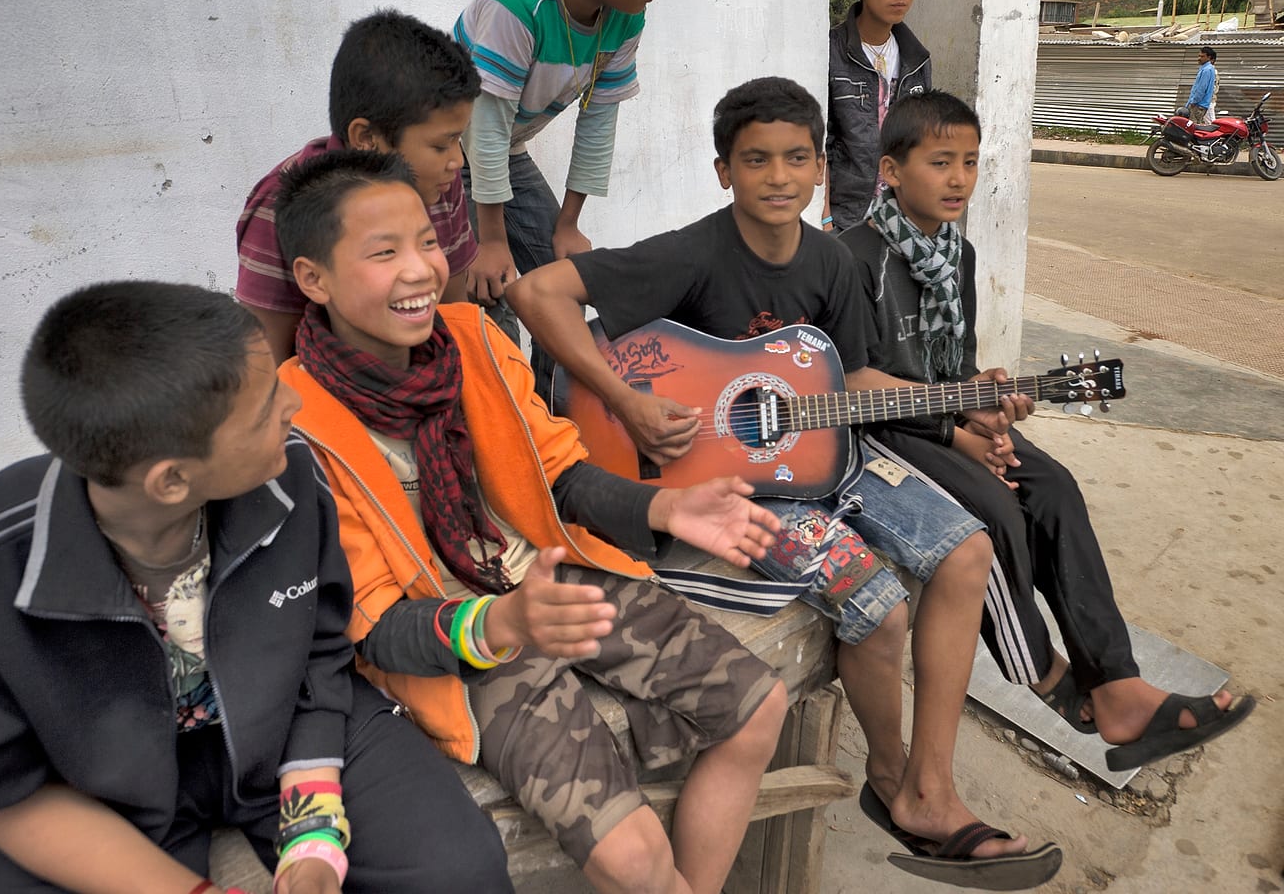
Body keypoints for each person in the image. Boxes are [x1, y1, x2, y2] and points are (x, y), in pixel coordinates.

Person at [510, 77, 1061, 889]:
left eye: (796, 158)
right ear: (722, 170)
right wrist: (626, 400)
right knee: (879, 607)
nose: (777, 176)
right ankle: (891, 778)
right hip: (729, 485)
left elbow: (855, 375)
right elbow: (535, 290)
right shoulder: (695, 251)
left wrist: (962, 399)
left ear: (821, 170)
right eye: (756, 159)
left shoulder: (832, 260)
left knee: (968, 547)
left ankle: (931, 789)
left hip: (818, 453)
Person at [0, 281, 511, 894]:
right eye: (266, 410)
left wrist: (312, 841)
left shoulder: (290, 480)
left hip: (281, 722)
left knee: (460, 871)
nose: (292, 405)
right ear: (172, 481)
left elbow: (319, 653)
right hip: (89, 785)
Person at [272, 148, 789, 894]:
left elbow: (560, 475)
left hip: (550, 577)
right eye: (384, 254)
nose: (420, 270)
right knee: (635, 860)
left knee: (758, 707)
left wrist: (664, 505)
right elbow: (375, 626)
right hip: (465, 641)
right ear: (312, 279)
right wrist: (502, 624)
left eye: (425, 241)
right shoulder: (301, 424)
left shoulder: (475, 340)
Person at [839, 88, 1255, 773]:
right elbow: (855, 385)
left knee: (1054, 486)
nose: (959, 180)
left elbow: (959, 364)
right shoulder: (853, 258)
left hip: (948, 415)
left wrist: (994, 418)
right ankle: (1048, 678)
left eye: (970, 163)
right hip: (884, 432)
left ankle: (1118, 683)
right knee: (996, 508)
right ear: (890, 170)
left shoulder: (958, 257)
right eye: (941, 162)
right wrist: (960, 434)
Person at [453, 0, 678, 333]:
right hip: (443, 159)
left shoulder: (624, 19)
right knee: (491, 301)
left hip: (503, 153)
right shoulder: (514, 9)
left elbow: (597, 124)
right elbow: (483, 131)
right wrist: (491, 241)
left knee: (563, 286)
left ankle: (552, 407)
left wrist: (569, 224)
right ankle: (504, 405)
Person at [236, 9, 482, 363]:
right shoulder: (281, 205)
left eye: (426, 242)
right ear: (366, 138)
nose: (457, 160)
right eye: (441, 145)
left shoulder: (437, 181)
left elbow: (455, 321)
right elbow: (268, 365)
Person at [825, 0, 931, 233]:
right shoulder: (831, 52)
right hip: (844, 220)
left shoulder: (917, 60)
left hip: (899, 220)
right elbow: (819, 141)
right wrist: (824, 217)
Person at [1187, 45, 1217, 124]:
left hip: (1199, 104)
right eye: (1199, 56)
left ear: (1209, 57)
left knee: (1193, 126)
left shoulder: (1207, 70)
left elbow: (1201, 88)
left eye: (1202, 56)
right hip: (1199, 103)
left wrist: (1193, 101)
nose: (1199, 58)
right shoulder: (1206, 69)